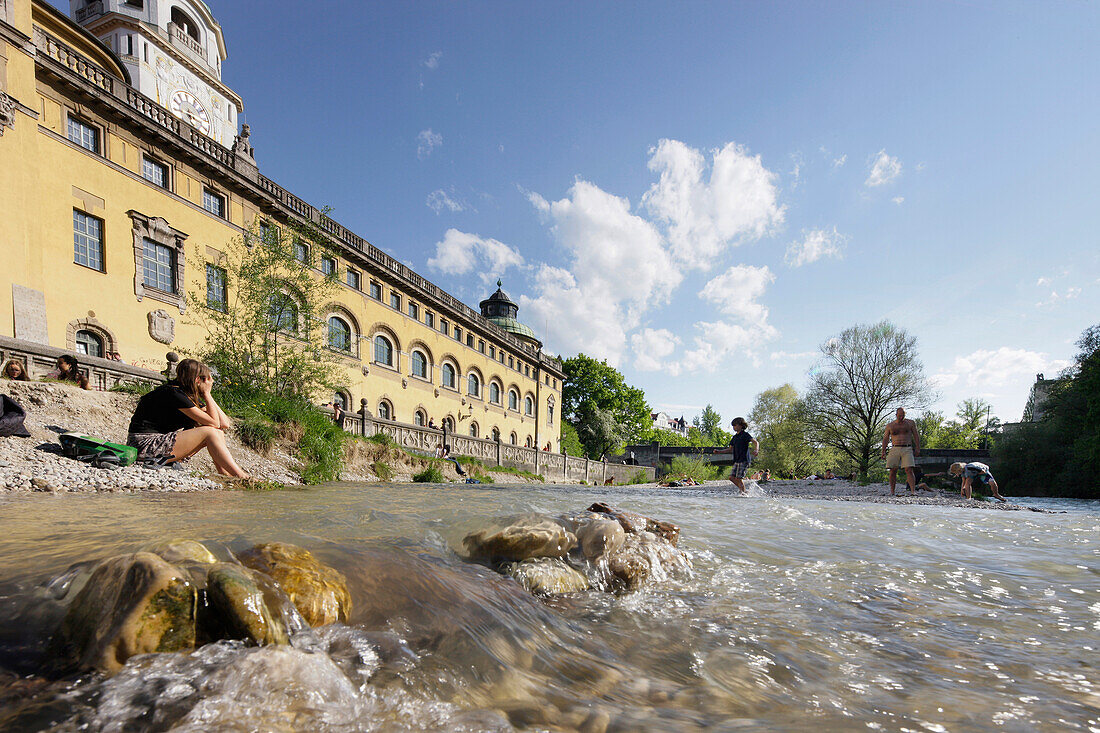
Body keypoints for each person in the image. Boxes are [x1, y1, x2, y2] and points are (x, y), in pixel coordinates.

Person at [127, 358, 249, 478]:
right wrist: (207, 393)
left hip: (156, 445)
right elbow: (214, 422)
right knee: (210, 432)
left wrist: (208, 396)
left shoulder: (185, 394)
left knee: (217, 432)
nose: (211, 382)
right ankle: (241, 476)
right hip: (144, 446)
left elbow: (224, 423)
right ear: (197, 380)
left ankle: (225, 474)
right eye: (209, 379)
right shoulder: (173, 393)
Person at [713, 417, 759, 495]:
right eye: (733, 426)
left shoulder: (745, 435)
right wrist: (719, 452)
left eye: (735, 425)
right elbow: (730, 449)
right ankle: (744, 491)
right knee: (731, 478)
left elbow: (755, 442)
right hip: (737, 460)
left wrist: (756, 450)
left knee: (738, 478)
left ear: (741, 425)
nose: (734, 427)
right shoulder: (734, 437)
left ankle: (743, 492)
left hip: (744, 460)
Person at [881, 407, 920, 496]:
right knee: (893, 470)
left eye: (902, 415)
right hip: (895, 448)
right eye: (899, 415)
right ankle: (892, 491)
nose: (901, 417)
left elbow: (916, 435)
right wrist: (883, 451)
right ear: (896, 415)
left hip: (907, 448)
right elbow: (885, 439)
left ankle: (913, 491)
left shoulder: (910, 423)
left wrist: (918, 447)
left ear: (905, 415)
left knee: (909, 469)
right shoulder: (890, 425)